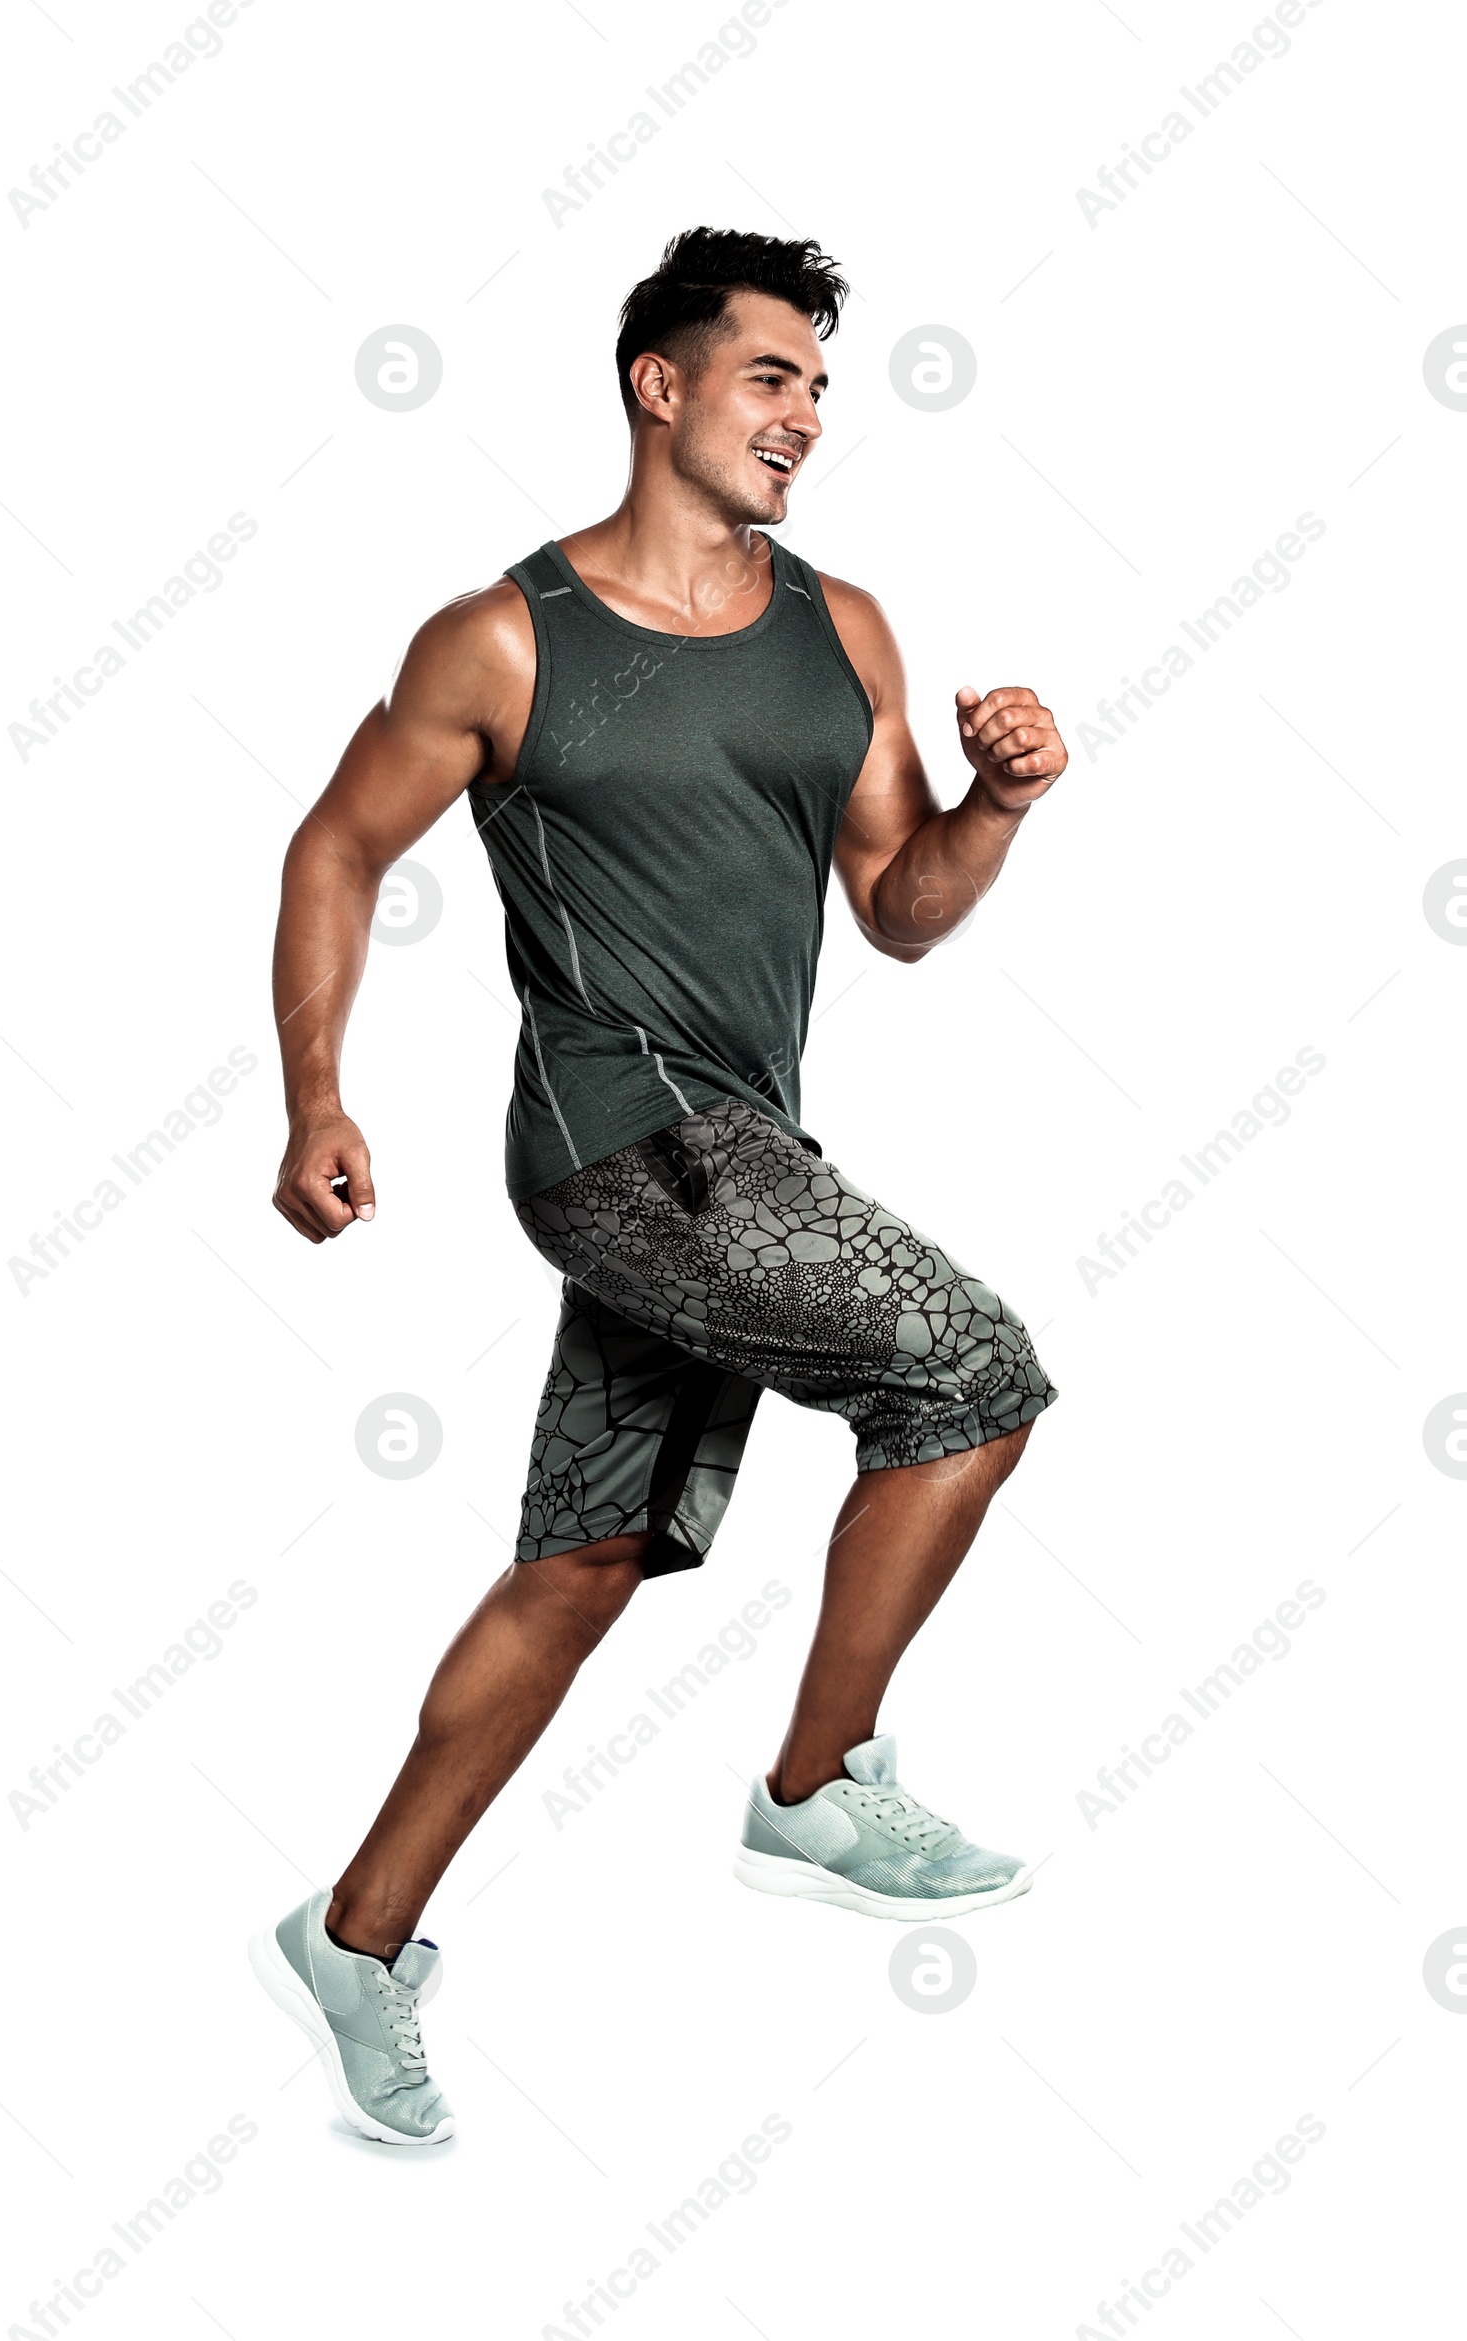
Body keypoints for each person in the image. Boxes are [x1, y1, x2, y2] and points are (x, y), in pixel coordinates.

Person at [250, 228, 1067, 2145]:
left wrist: (997, 810)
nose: (804, 417)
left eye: (819, 389)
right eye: (773, 376)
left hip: (744, 1151)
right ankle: (814, 1782)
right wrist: (314, 1094)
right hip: (621, 1142)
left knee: (583, 1561)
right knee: (967, 1373)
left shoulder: (843, 628)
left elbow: (902, 915)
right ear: (664, 383)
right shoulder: (506, 636)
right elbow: (333, 846)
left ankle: (357, 1936)